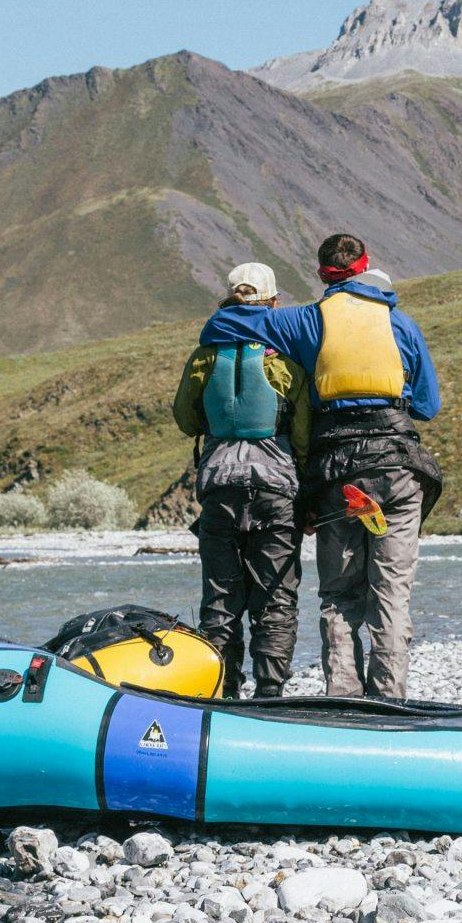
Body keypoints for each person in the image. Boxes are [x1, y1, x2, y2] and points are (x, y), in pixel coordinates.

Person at [198, 234, 441, 700]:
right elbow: (428, 406)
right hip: (398, 468)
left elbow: (222, 326)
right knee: (391, 591)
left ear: (321, 274)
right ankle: (390, 698)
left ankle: (343, 696)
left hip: (339, 474)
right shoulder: (401, 325)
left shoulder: (306, 320)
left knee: (339, 592)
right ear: (367, 266)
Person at [172, 262, 310, 699]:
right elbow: (304, 432)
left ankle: (224, 690)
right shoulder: (285, 359)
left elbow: (184, 417)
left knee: (220, 597)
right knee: (275, 597)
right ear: (273, 302)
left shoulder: (204, 356)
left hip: (219, 488)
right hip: (275, 488)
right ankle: (270, 693)